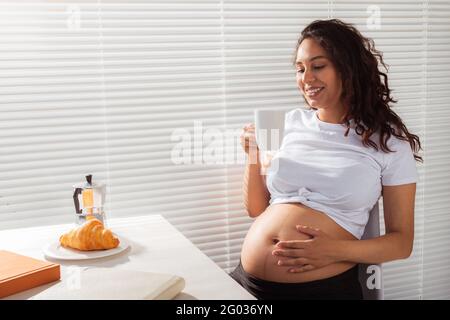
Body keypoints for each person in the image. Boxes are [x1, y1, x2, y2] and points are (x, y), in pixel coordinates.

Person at [230, 19, 422, 300]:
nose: (306, 78)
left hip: (321, 290)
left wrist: (334, 250)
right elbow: (257, 209)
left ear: (348, 68)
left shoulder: (388, 141)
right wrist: (253, 155)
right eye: (300, 69)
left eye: (318, 66)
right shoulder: (288, 123)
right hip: (247, 285)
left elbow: (401, 243)